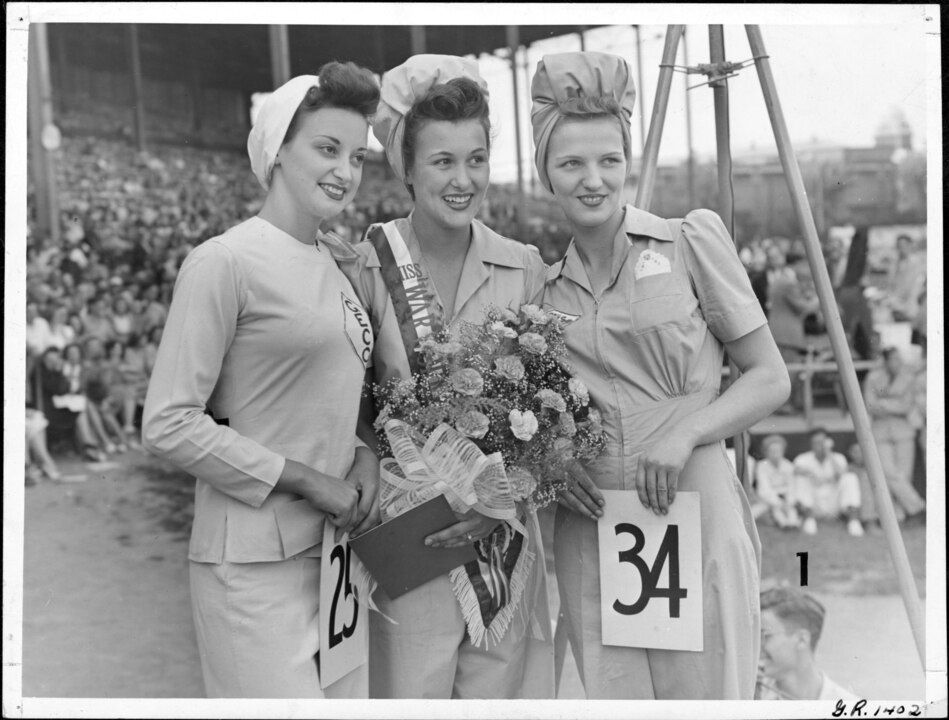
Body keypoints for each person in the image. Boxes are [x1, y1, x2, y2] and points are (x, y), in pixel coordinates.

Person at [531, 51, 790, 699]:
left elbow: (769, 377)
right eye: (571, 164)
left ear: (629, 162)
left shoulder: (688, 241)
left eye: (609, 160)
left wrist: (687, 433)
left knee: (708, 692)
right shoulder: (539, 289)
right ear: (545, 174)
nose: (593, 180)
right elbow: (534, 412)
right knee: (614, 695)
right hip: (592, 521)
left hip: (690, 495)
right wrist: (553, 460)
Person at [141, 63, 382, 699]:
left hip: (336, 557)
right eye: (327, 149)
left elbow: (326, 396)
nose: (345, 171)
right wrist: (305, 478)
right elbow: (168, 422)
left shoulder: (338, 264)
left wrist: (363, 454)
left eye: (357, 156)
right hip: (251, 568)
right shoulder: (224, 261)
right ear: (278, 152)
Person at [340, 54, 553, 699]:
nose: (463, 180)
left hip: (503, 541)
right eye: (442, 161)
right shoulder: (367, 267)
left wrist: (495, 504)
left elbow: (549, 402)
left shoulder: (523, 266)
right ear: (406, 166)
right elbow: (349, 408)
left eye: (477, 159)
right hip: (409, 535)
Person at [756, 586, 859, 701]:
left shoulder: (850, 706)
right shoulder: (751, 697)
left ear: (802, 640)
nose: (756, 647)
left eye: (765, 636)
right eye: (755, 638)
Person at [863, 347, 926, 524]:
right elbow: (870, 404)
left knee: (903, 475)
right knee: (888, 471)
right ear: (885, 361)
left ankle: (899, 517)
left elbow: (906, 406)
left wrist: (884, 404)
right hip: (880, 430)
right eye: (894, 359)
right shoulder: (874, 377)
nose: (898, 362)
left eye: (899, 359)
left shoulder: (909, 377)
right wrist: (893, 404)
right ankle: (918, 507)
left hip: (903, 430)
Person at [767, 249, 819, 414]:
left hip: (778, 332)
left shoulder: (779, 280)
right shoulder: (789, 283)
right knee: (789, 371)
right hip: (787, 334)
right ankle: (784, 405)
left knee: (782, 371)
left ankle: (781, 404)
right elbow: (803, 307)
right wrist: (818, 299)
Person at [792, 428, 863, 537]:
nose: (819, 446)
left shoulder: (838, 457)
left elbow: (841, 473)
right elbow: (796, 470)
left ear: (828, 442)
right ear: (811, 444)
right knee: (801, 478)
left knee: (850, 477)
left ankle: (854, 522)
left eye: (822, 442)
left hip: (834, 503)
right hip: (814, 504)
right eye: (816, 443)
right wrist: (811, 474)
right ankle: (809, 521)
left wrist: (828, 453)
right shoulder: (803, 458)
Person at [754, 434, 801, 529]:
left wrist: (789, 502)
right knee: (767, 510)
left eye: (778, 450)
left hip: (786, 498)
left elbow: (792, 486)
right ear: (766, 452)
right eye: (772, 451)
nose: (775, 454)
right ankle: (783, 524)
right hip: (769, 499)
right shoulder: (761, 466)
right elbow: (764, 489)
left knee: (791, 510)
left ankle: (792, 523)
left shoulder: (788, 465)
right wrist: (778, 502)